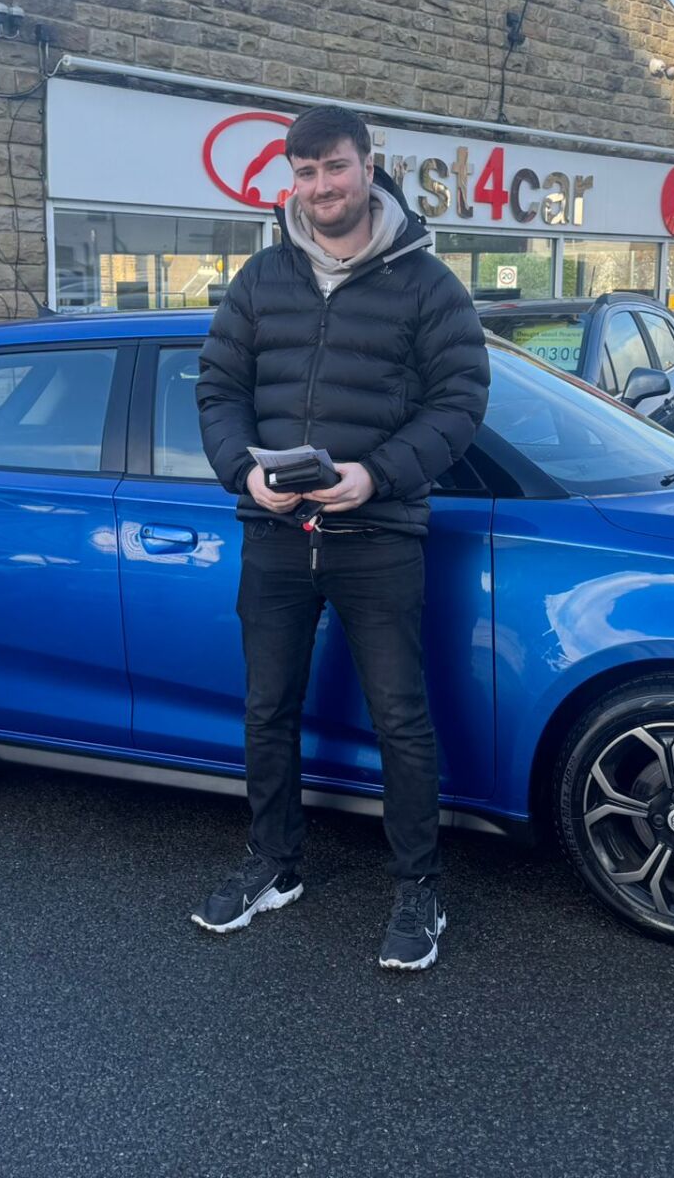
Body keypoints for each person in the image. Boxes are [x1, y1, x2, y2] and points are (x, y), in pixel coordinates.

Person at [194, 104, 489, 971]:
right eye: (304, 171)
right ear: (292, 179)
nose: (321, 187)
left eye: (335, 167)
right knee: (266, 710)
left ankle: (418, 889)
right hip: (277, 532)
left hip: (379, 534)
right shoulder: (261, 278)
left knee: (400, 718)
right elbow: (218, 390)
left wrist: (376, 476)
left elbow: (461, 403)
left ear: (369, 166)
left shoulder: (427, 284)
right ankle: (273, 865)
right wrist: (244, 474)